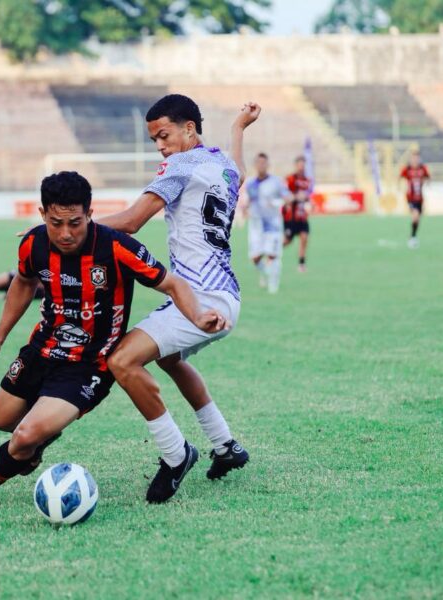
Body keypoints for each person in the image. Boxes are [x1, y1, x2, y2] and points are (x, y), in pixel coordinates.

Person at [0, 171, 228, 508]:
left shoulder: (115, 246)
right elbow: (24, 283)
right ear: (42, 215)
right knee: (2, 421)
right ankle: (35, 443)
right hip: (42, 349)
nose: (65, 233)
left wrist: (199, 317)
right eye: (56, 223)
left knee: (23, 437)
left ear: (90, 214)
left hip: (88, 366)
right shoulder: (33, 243)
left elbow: (172, 284)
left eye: (75, 222)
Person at [97, 94, 260, 503]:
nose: (160, 147)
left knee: (121, 360)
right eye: (155, 139)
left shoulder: (180, 165)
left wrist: (63, 228)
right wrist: (238, 128)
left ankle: (176, 454)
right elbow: (240, 169)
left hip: (200, 298)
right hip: (224, 296)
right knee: (169, 359)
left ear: (190, 129)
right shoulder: (221, 164)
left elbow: (132, 222)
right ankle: (226, 446)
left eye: (164, 135)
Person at [245, 153, 290, 294]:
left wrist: (277, 203)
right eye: (259, 163)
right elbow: (251, 201)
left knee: (272, 254)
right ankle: (266, 273)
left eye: (264, 163)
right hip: (256, 225)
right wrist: (245, 208)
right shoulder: (250, 184)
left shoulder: (276, 182)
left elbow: (287, 198)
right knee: (255, 257)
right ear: (255, 165)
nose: (261, 165)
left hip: (273, 224)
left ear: (268, 164)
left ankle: (273, 285)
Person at [283, 156, 311, 272]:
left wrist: (307, 199)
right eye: (300, 165)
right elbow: (285, 196)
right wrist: (295, 197)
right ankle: (272, 254)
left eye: (303, 165)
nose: (302, 167)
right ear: (296, 166)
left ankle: (301, 264)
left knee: (304, 237)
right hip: (290, 217)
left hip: (302, 216)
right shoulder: (290, 179)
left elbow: (307, 196)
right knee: (287, 241)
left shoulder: (307, 180)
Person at [400, 149, 430, 249]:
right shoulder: (407, 169)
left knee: (417, 220)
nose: (415, 160)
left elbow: (428, 177)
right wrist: (400, 187)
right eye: (413, 158)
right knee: (415, 215)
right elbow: (400, 177)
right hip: (410, 198)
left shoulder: (423, 169)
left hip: (420, 198)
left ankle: (413, 236)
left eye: (417, 158)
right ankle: (412, 238)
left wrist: (426, 182)